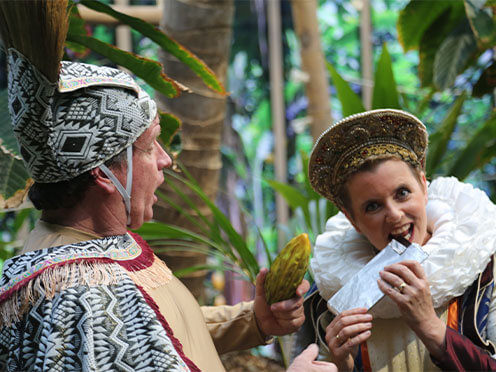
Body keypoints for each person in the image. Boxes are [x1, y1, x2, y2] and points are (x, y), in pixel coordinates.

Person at [0, 1, 339, 371]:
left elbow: (153, 333)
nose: (165, 159)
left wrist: (253, 321)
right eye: (148, 147)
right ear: (102, 174)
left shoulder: (88, 250)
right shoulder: (87, 296)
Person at [297, 108, 496, 371]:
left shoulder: (485, 271)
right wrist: (343, 363)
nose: (394, 214)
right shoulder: (329, 298)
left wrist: (431, 327)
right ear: (352, 219)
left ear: (424, 187)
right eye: (372, 207)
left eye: (402, 193)